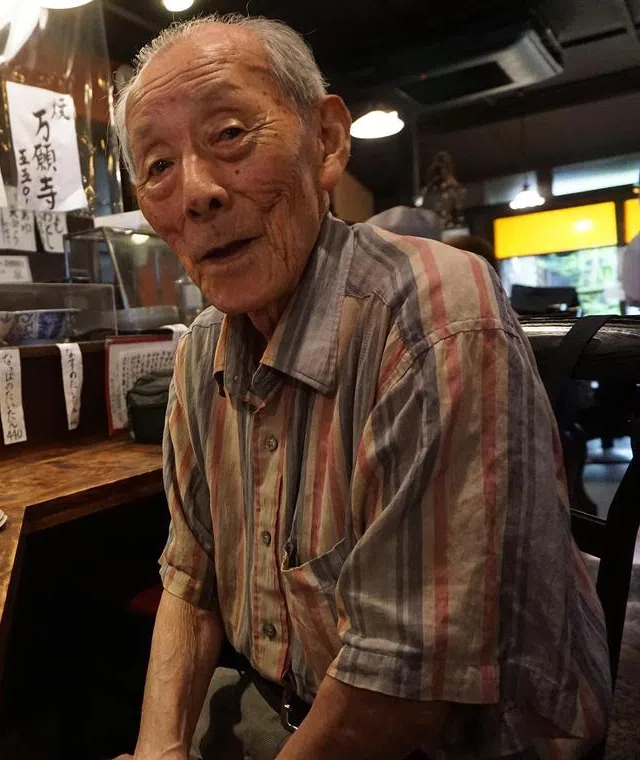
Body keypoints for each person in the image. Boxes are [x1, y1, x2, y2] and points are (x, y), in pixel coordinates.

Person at [112, 14, 610, 760]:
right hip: (289, 701)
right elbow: (191, 577)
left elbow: (402, 691)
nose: (197, 193)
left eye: (229, 134)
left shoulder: (433, 314)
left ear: (328, 141)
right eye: (157, 166)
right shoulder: (204, 348)